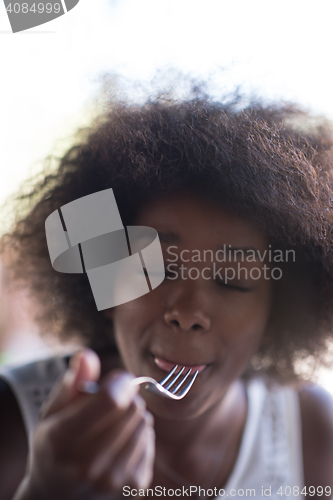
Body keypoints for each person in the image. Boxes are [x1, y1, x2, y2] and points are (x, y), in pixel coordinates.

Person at [1, 85, 333, 500]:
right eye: (153, 268)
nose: (189, 311)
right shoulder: (14, 420)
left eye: (233, 280)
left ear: (276, 315)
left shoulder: (312, 433)